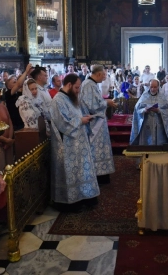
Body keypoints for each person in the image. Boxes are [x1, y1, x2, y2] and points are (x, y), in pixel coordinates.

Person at [50, 74, 100, 212]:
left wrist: (84, 118)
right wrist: (81, 121)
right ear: (69, 85)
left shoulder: (71, 98)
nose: (78, 90)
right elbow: (62, 123)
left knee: (82, 171)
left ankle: (85, 197)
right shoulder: (58, 100)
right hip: (67, 145)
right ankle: (71, 202)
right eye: (77, 87)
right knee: (72, 173)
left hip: (79, 142)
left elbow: (75, 115)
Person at [80, 66, 118, 185]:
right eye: (104, 75)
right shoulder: (88, 84)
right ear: (98, 74)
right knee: (97, 149)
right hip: (94, 123)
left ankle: (103, 174)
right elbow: (92, 105)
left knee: (101, 148)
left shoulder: (92, 84)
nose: (105, 77)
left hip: (98, 122)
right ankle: (98, 175)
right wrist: (107, 102)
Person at [130, 79, 168, 145]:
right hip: (146, 125)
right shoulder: (144, 96)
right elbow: (137, 109)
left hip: (159, 125)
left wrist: (159, 110)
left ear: (158, 87)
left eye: (155, 87)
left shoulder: (163, 97)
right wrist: (144, 110)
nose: (153, 89)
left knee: (159, 143)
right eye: (151, 87)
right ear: (149, 86)